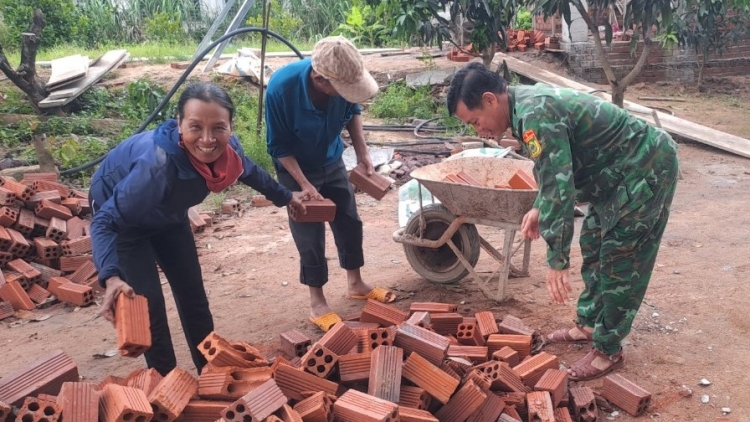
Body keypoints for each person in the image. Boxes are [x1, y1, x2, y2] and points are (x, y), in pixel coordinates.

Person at [446, 62, 679, 381]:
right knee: (594, 244)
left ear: (490, 100)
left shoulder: (535, 114)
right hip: (612, 175)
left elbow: (559, 186)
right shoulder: (522, 110)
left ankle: (608, 348)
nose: (478, 130)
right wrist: (540, 206)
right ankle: (588, 324)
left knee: (620, 259)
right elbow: (554, 169)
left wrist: (557, 259)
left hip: (645, 167)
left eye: (475, 121)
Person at [90, 83, 306, 376]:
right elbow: (104, 221)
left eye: (218, 128)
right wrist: (111, 277)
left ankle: (209, 370)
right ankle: (167, 383)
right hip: (125, 221)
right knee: (148, 304)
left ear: (230, 127)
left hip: (168, 215)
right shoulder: (157, 167)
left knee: (193, 294)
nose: (207, 139)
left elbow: (251, 172)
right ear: (179, 124)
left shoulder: (230, 152)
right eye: (195, 127)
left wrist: (287, 196)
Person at [265, 36, 396, 332]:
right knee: (309, 233)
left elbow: (353, 113)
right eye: (342, 90)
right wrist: (303, 184)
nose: (345, 94)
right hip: (294, 167)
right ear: (320, 79)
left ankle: (356, 283)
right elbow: (278, 146)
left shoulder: (341, 85)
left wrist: (362, 153)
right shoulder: (281, 90)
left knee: (349, 218)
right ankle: (317, 301)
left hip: (332, 158)